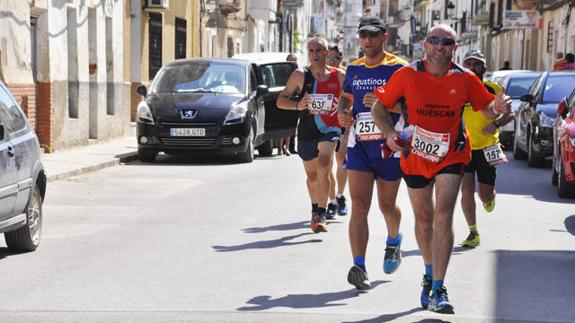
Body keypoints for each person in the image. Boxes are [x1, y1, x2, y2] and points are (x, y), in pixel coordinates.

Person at [371, 24, 511, 314]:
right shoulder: (407, 74)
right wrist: (387, 134)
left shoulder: (466, 78)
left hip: (452, 154)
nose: (440, 46)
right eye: (434, 40)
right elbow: (378, 108)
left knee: (443, 214)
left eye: (446, 42)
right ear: (425, 45)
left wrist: (497, 108)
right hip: (415, 155)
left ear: (454, 48)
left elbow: (485, 109)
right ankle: (428, 272)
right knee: (424, 219)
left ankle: (438, 288)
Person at [337, 16, 406, 291]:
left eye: (373, 35)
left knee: (386, 206)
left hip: (388, 147)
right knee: (359, 205)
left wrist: (384, 104)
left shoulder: (398, 68)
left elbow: (410, 106)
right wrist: (343, 113)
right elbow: (346, 98)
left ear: (384, 37)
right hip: (360, 146)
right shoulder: (354, 68)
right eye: (363, 35)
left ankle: (393, 240)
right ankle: (359, 265)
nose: (367, 40)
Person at [277, 38, 345, 233]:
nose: (314, 54)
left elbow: (351, 97)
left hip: (330, 129)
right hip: (307, 130)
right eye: (311, 50)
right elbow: (280, 101)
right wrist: (298, 105)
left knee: (325, 165)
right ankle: (315, 208)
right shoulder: (300, 75)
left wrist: (346, 112)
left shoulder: (339, 76)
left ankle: (321, 213)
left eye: (319, 50)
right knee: (313, 177)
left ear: (326, 53)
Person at [460, 49, 513, 249]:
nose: (473, 68)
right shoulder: (457, 89)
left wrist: (496, 124)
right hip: (463, 148)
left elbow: (511, 113)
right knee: (466, 190)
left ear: (484, 67)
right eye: (469, 64)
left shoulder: (493, 89)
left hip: (488, 147)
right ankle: (473, 231)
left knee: (484, 195)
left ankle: (489, 198)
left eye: (476, 64)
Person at [325, 44, 349, 217]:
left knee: (342, 162)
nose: (333, 61)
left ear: (341, 59)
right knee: (326, 166)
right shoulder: (322, 76)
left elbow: (351, 99)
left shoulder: (345, 76)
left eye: (336, 58)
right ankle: (331, 200)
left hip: (343, 124)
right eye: (329, 58)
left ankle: (340, 196)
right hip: (326, 125)